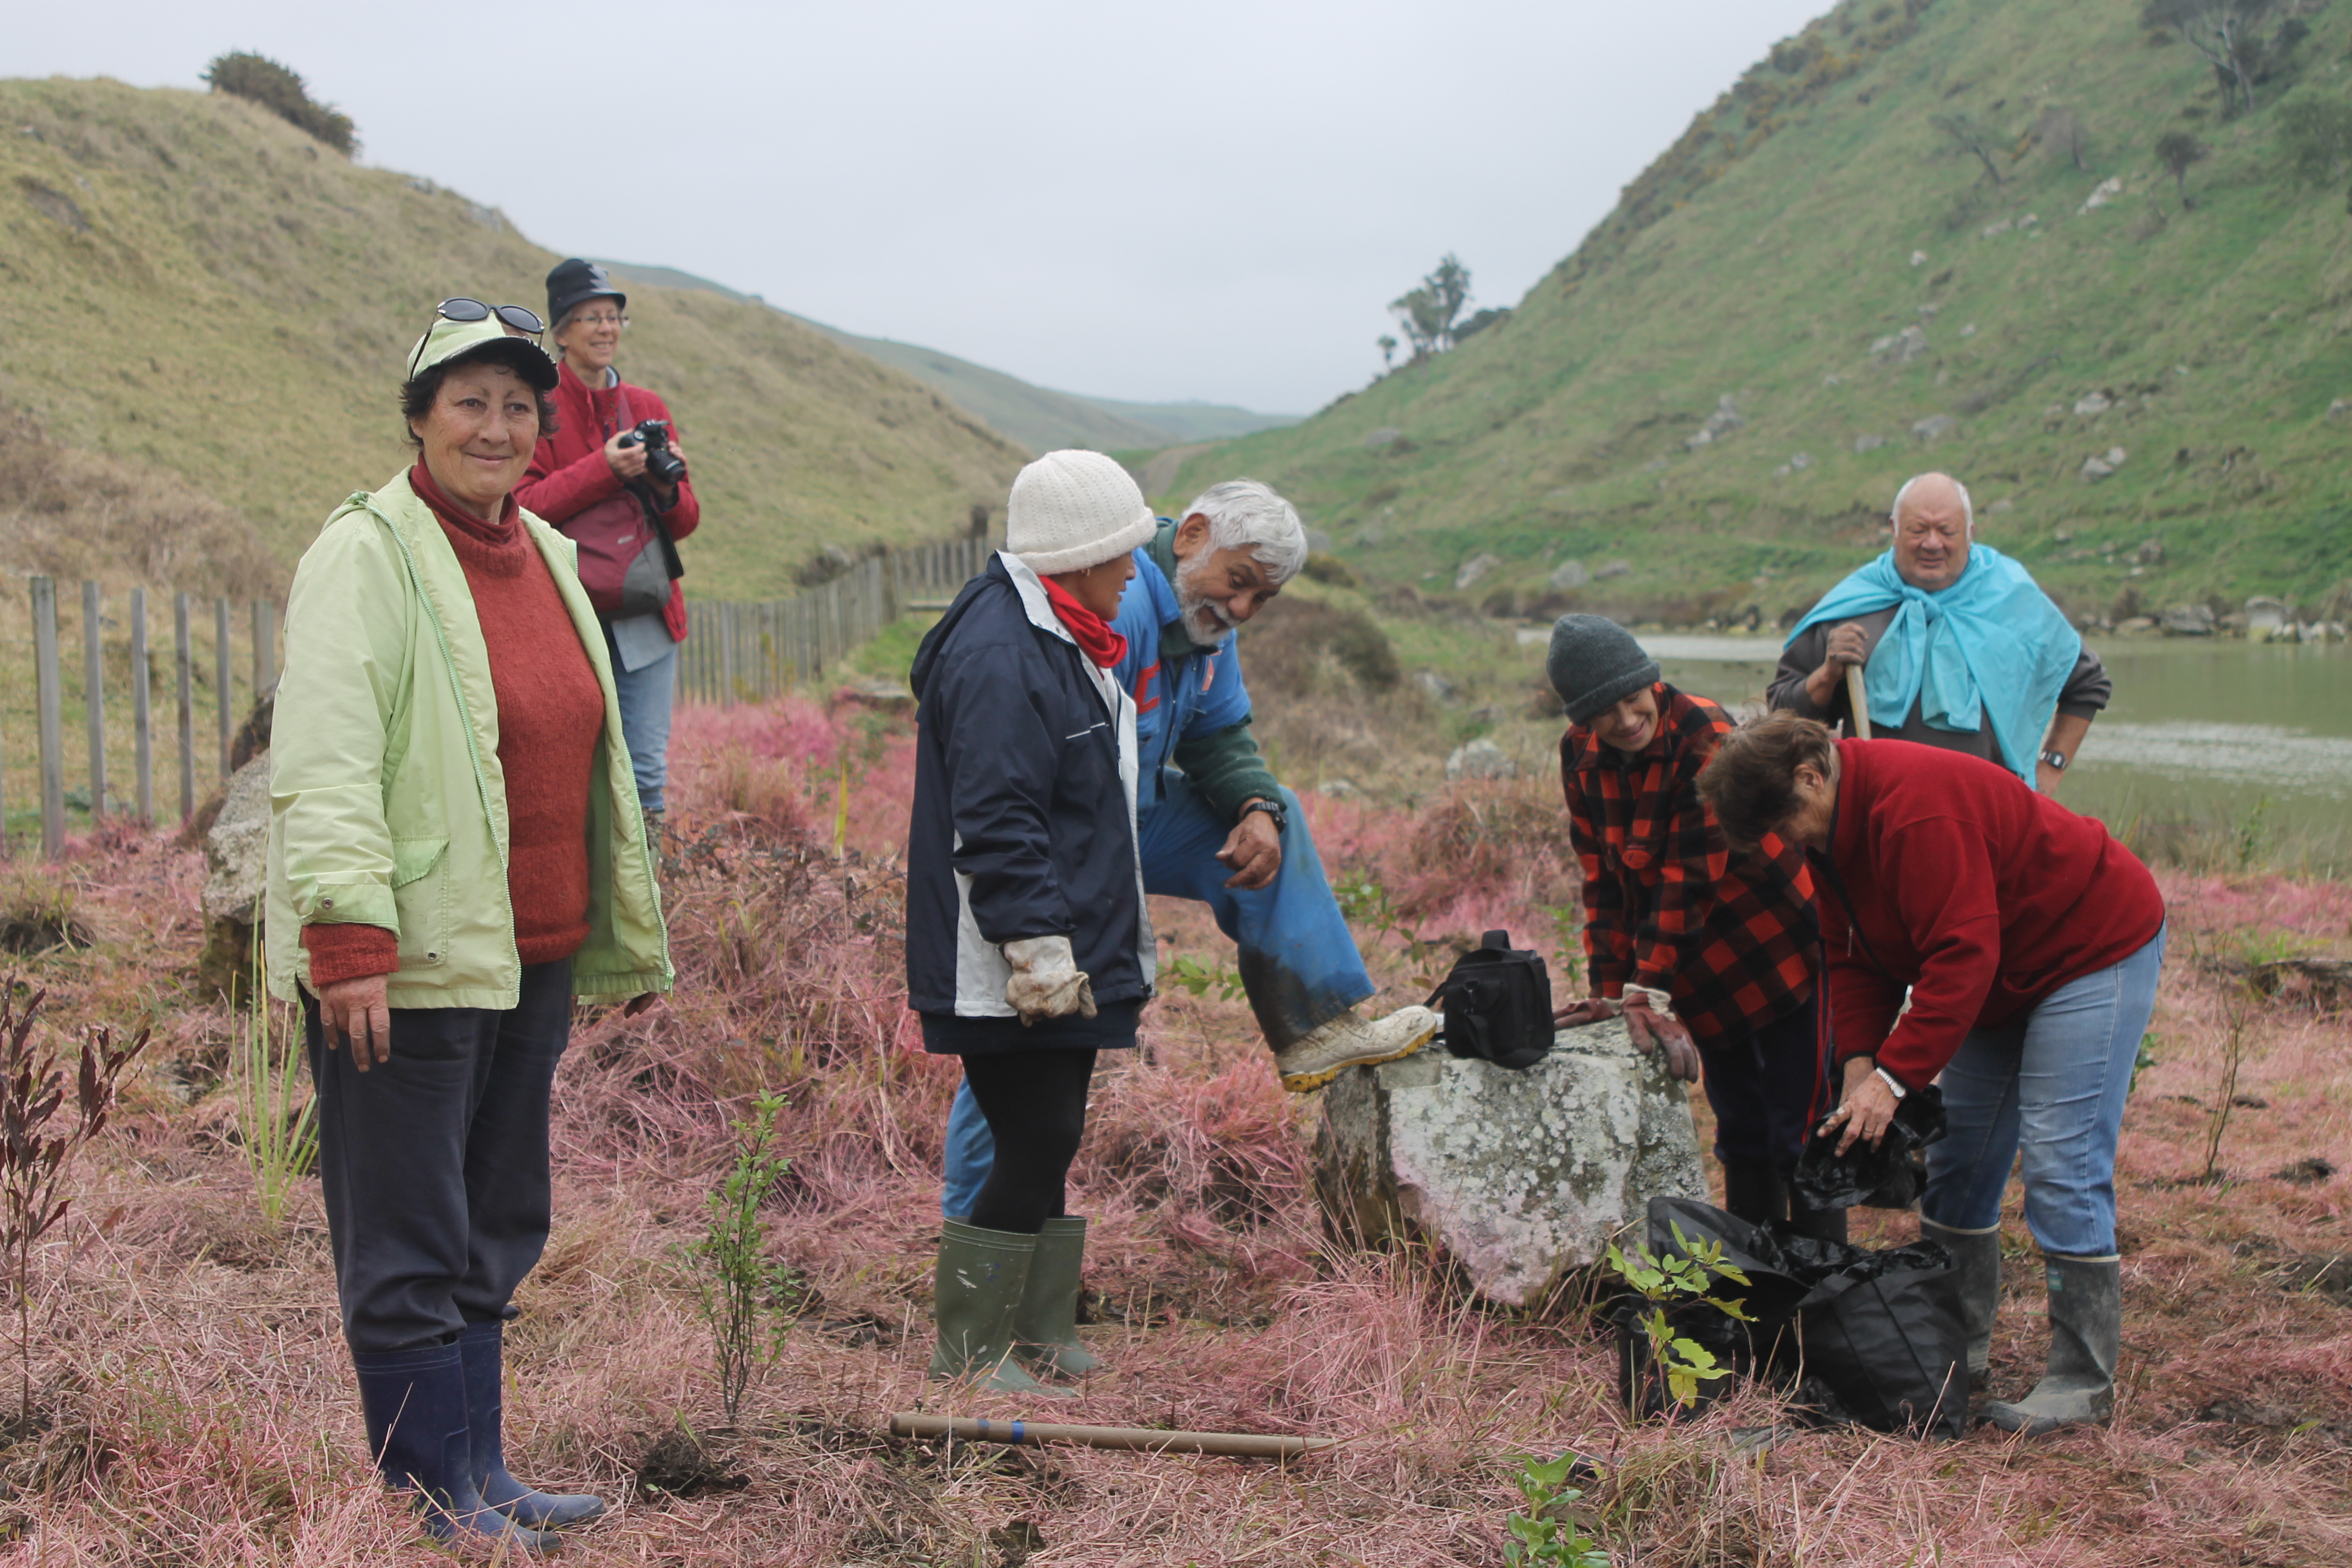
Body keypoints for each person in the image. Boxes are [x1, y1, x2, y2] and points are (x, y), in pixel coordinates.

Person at [265, 306, 671, 1547]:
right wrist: (347, 937)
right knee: (410, 1229)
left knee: (494, 1218)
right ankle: (429, 1493)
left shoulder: (540, 546)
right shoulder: (366, 551)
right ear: (418, 418)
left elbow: (588, 756)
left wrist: (618, 927)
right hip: (407, 960)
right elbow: (326, 757)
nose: (496, 428)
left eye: (517, 407)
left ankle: (483, 1469)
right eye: (469, 402)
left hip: (527, 951)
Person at [937, 478, 1438, 1218]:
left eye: (1263, 598)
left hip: (1136, 817)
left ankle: (1315, 1026)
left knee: (1280, 814)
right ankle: (972, 1213)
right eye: (1240, 581)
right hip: (1060, 834)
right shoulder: (1120, 597)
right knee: (1027, 1038)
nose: (1243, 608)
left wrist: (1254, 807)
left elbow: (1218, 733)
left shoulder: (1209, 628)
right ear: (1193, 535)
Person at [1697, 716, 2166, 1435]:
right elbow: (1852, 952)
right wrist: (1860, 1062)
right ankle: (1960, 1349)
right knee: (1959, 1165)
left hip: (2088, 949)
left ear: (1811, 778)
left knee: (2059, 1158)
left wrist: (1894, 1080)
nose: (1786, 843)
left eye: (1784, 824)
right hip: (2000, 976)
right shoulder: (1831, 833)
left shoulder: (1916, 810)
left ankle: (2081, 1379)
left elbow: (1961, 956)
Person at [907, 449, 1157, 1395]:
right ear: (1077, 553)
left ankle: (1040, 1328)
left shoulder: (1057, 632)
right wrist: (1040, 951)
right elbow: (999, 815)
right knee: (1036, 1132)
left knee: (1053, 1131)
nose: (1134, 568)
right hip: (1013, 952)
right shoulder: (1004, 652)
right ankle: (971, 1349)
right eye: (1122, 549)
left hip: (1062, 938)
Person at [1544, 617, 1839, 1241]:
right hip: (1695, 966)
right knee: (1742, 1130)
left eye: (1634, 699)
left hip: (1776, 942)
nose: (1626, 719)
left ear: (1651, 681)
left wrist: (1646, 988)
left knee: (1801, 1124)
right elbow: (1602, 878)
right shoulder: (1579, 754)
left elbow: (1690, 873)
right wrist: (1611, 991)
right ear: (1582, 717)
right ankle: (1756, 1277)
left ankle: (1824, 1278)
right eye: (1604, 712)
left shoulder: (1704, 731)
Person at [1767, 472, 2110, 792]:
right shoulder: (1854, 607)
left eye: (1947, 531)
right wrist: (1827, 676)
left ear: (1970, 533)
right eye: (1918, 530)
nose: (1933, 544)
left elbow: (2087, 684)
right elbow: (1782, 717)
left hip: (1987, 815)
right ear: (1894, 529)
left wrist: (2051, 767)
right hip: (1875, 814)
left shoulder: (2013, 599)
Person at [517, 258, 700, 833]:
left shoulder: (647, 408)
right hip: (568, 616)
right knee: (574, 771)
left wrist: (665, 488)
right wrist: (605, 469)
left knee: (645, 773)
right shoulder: (537, 406)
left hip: (647, 614)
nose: (606, 328)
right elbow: (522, 507)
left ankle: (646, 878)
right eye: (591, 316)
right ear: (562, 330)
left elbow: (686, 521)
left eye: (614, 316)